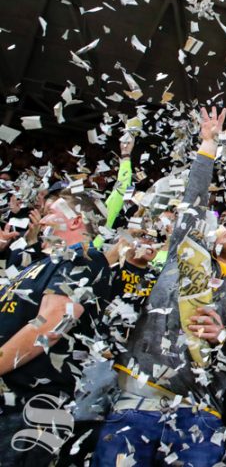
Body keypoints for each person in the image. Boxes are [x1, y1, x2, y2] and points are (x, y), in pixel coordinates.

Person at [93, 107, 226, 467]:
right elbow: (193, 202)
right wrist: (207, 146)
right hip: (137, 398)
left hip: (201, 412)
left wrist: (223, 337)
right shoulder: (184, 256)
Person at [0, 189, 111, 465]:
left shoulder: (86, 258)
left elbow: (51, 323)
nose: (43, 220)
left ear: (75, 221)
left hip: (34, 405)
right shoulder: (39, 265)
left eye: (50, 213)